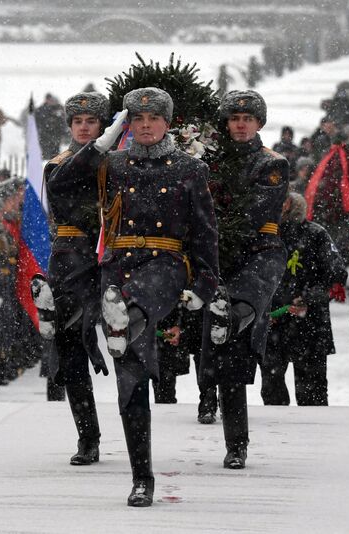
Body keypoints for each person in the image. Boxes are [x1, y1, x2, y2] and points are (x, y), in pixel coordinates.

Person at [98, 87, 218, 506]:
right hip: (118, 267)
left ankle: (124, 317)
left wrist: (205, 283)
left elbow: (205, 232)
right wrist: (101, 142)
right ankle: (141, 478)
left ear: (168, 123)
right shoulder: (112, 164)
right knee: (130, 385)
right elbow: (61, 183)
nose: (145, 125)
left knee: (140, 298)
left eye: (153, 118)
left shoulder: (190, 168)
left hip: (167, 264)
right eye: (137, 119)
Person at [199, 89, 288, 470]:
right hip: (216, 256)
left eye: (247, 119)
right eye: (234, 118)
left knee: (235, 348)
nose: (240, 125)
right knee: (214, 352)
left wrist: (214, 225)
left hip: (256, 255)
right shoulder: (207, 161)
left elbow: (255, 212)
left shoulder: (272, 163)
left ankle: (237, 444)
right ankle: (214, 409)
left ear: (259, 124)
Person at [40, 91, 122, 467]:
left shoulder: (121, 162)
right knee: (71, 346)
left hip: (114, 254)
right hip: (73, 258)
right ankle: (88, 436)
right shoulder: (56, 165)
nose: (85, 127)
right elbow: (66, 194)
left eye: (92, 122)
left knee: (127, 339)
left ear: (103, 125)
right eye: (78, 122)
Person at [261, 192, 346, 404]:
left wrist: (308, 298)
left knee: (312, 392)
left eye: (284, 201)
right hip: (274, 321)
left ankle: (313, 433)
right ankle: (276, 432)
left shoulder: (315, 234)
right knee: (271, 389)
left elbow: (337, 272)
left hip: (309, 323)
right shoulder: (265, 234)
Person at [35, 93, 69, 160]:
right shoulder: (41, 110)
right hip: (45, 136)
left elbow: (63, 122)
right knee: (45, 155)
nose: (50, 101)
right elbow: (38, 123)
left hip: (56, 136)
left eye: (51, 99)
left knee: (55, 156)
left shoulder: (58, 108)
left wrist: (63, 131)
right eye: (48, 99)